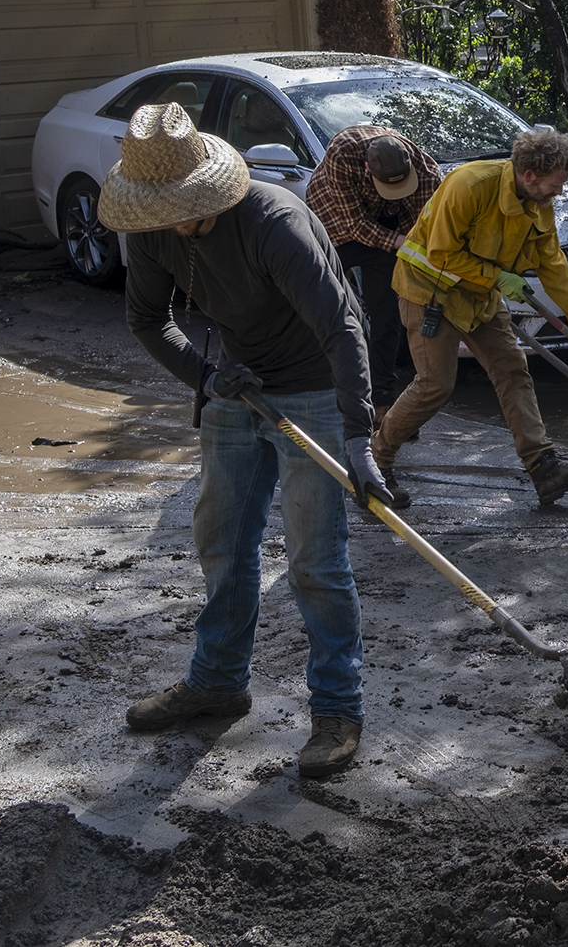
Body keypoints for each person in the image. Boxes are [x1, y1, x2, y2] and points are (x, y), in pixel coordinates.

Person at [104, 102, 384, 779]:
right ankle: (218, 681)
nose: (171, 220)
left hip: (314, 384)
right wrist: (206, 376)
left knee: (316, 558)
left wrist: (358, 435)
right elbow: (147, 318)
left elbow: (341, 328)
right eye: (160, 208)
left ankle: (337, 709)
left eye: (181, 206)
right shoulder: (148, 227)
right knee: (222, 539)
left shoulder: (274, 222)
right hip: (236, 385)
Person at [373, 128, 568, 507]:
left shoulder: (537, 204)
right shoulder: (469, 185)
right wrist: (498, 277)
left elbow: (555, 266)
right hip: (430, 290)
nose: (559, 192)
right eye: (555, 184)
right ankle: (374, 462)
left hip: (479, 295)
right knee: (436, 384)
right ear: (529, 174)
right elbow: (440, 253)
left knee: (512, 369)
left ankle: (544, 467)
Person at [305, 125, 441, 410]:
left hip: (386, 227)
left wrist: (416, 253)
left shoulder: (425, 172)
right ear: (368, 167)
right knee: (317, 302)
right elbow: (353, 224)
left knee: (387, 315)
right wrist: (401, 242)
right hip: (333, 222)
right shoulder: (342, 154)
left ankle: (381, 400)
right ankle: (312, 388)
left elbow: (423, 224)